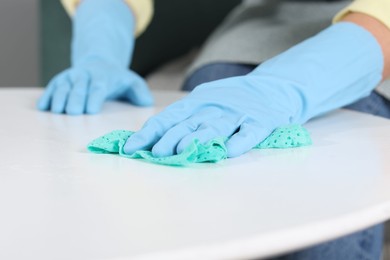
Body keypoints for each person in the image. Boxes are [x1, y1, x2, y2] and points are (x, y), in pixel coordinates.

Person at [38, 0, 390, 259]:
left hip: (374, 52)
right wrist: (101, 50)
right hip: (257, 34)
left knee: (320, 222)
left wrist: (285, 86)